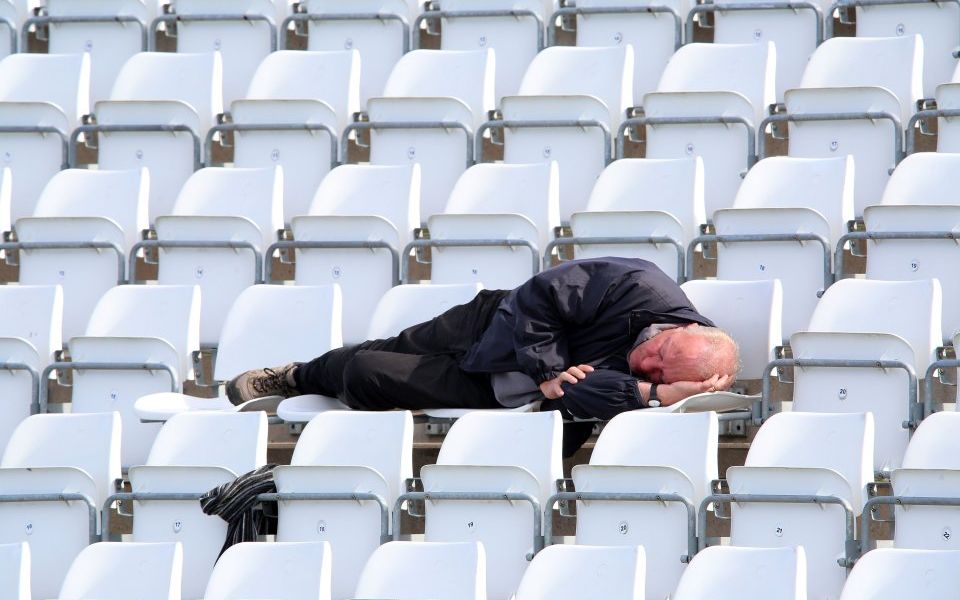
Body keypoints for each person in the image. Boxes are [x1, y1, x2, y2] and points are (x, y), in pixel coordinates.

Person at [227, 258, 740, 430]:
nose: (647, 362)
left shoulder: (660, 380)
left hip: (496, 386)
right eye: (660, 351)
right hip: (495, 320)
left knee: (365, 371)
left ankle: (318, 376)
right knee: (394, 345)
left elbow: (584, 398)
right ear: (683, 326)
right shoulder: (641, 286)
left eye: (659, 374)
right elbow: (542, 295)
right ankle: (294, 376)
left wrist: (659, 397)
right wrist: (549, 370)